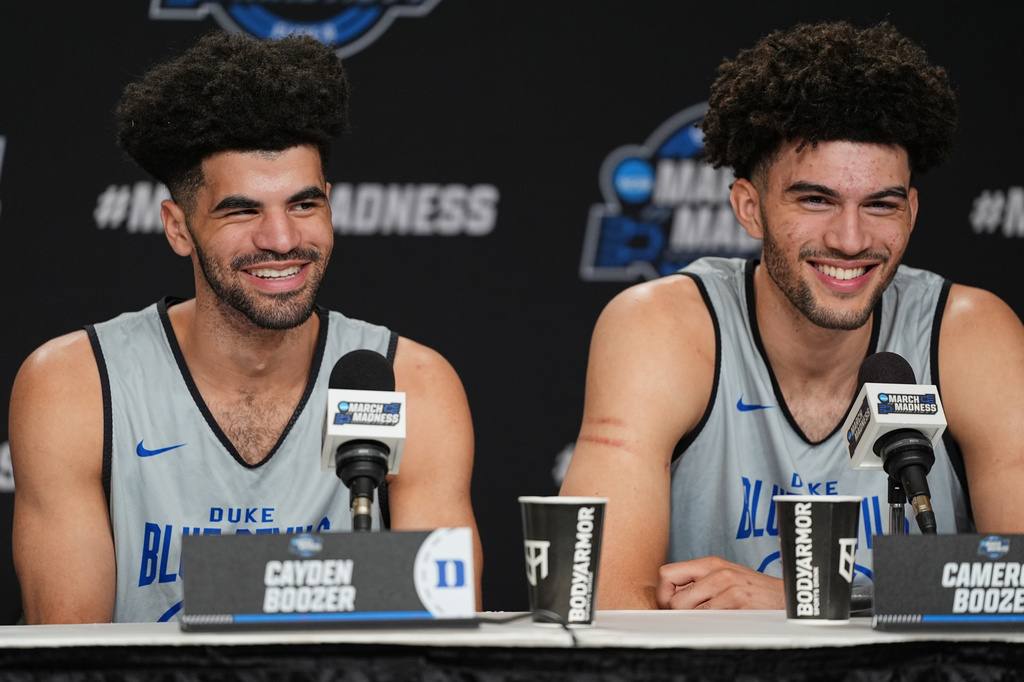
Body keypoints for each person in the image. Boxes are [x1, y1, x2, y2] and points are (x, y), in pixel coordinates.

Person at [10, 32, 481, 623]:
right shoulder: (75, 383)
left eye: (304, 205)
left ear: (329, 203)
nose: (282, 240)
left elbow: (441, 629)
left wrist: (240, 584)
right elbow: (70, 649)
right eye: (242, 210)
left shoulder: (410, 380)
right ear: (178, 228)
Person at [560, 21, 1024, 610]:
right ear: (749, 208)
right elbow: (601, 595)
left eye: (880, 205)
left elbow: (1017, 579)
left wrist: (805, 599)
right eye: (816, 199)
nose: (851, 239)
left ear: (911, 211)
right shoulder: (663, 325)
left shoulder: (969, 331)